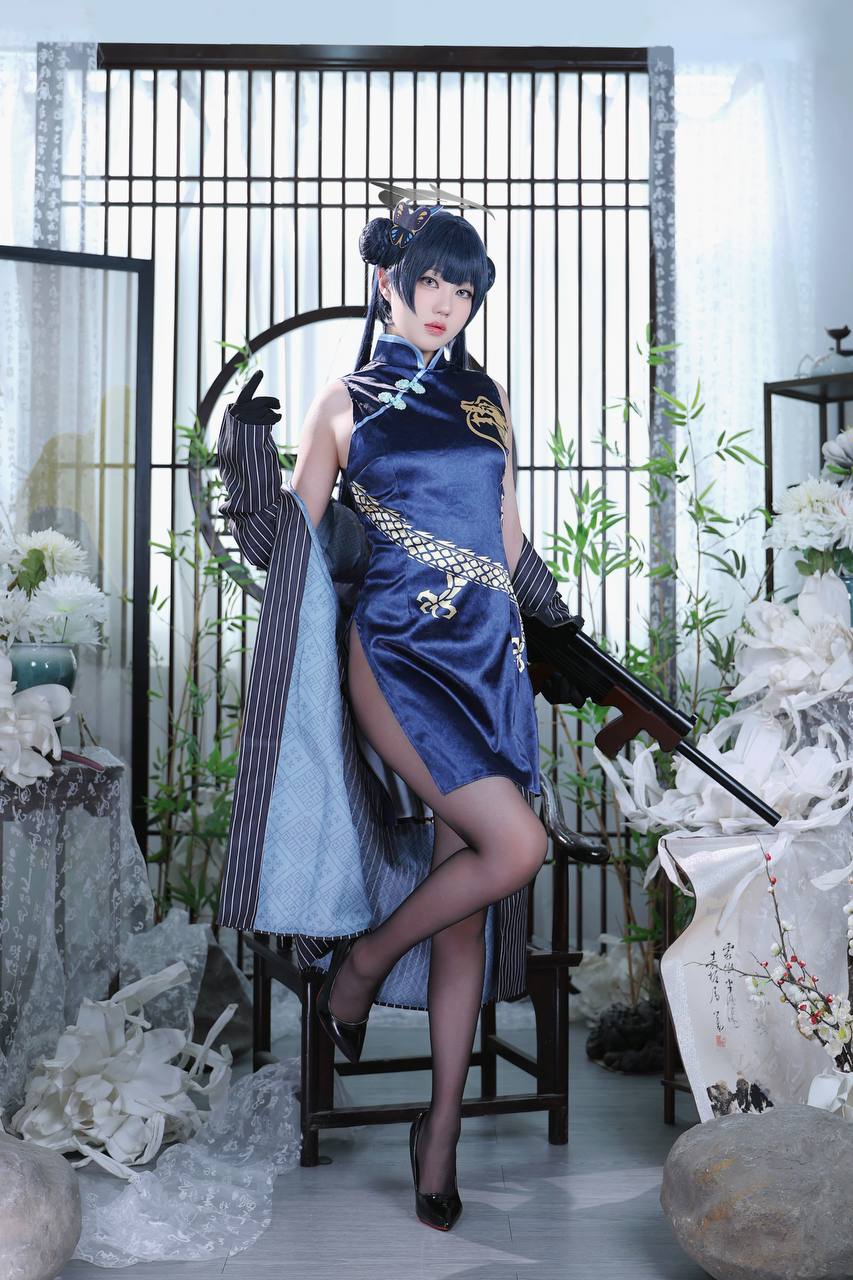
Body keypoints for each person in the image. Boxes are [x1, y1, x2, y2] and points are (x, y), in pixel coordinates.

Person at [215, 196, 584, 1232]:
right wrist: (246, 458)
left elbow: (506, 538)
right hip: (397, 655)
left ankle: (440, 1132)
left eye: (464, 289)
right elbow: (287, 545)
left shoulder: (486, 397)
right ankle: (363, 966)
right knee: (517, 847)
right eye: (430, 282)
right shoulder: (345, 401)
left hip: (490, 662)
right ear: (390, 282)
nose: (446, 303)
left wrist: (563, 626)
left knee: (465, 903)